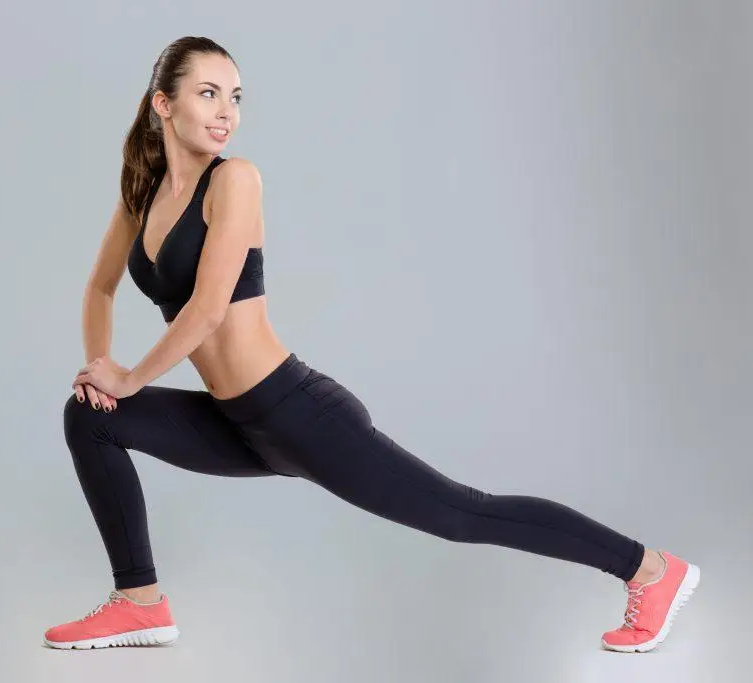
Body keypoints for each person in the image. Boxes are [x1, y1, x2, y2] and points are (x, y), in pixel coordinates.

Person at [43, 36, 700, 653]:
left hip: (297, 413)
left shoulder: (235, 180)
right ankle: (141, 601)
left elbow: (209, 310)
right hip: (234, 424)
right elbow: (99, 288)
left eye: (235, 97)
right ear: (164, 103)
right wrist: (102, 369)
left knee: (461, 514)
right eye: (208, 93)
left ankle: (649, 569)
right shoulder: (142, 197)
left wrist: (130, 377)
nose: (226, 112)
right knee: (90, 417)